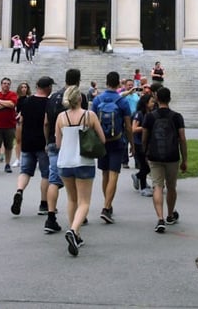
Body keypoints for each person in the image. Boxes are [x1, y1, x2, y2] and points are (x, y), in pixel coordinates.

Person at [56, 84, 106, 256]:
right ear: (79, 98)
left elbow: (58, 143)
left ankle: (75, 234)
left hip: (65, 161)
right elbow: (102, 138)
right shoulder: (89, 115)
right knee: (84, 202)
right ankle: (73, 230)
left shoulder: (61, 117)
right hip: (84, 161)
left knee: (72, 199)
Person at [43, 67, 86, 235]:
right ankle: (79, 213)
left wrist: (48, 141)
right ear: (78, 80)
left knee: (54, 180)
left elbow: (46, 122)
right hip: (74, 144)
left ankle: (51, 216)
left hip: (55, 141)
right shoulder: (78, 97)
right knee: (77, 179)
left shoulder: (53, 97)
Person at [142, 86, 187, 233]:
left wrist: (145, 151)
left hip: (155, 155)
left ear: (156, 98)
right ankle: (170, 215)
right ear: (170, 99)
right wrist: (184, 159)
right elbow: (182, 139)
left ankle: (160, 218)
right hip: (172, 156)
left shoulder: (150, 116)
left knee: (157, 186)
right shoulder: (177, 117)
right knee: (172, 186)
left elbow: (145, 137)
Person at [91, 70, 134, 224]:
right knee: (114, 174)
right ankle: (106, 206)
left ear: (107, 82)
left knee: (104, 174)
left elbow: (92, 122)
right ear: (118, 84)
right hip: (117, 141)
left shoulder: (97, 100)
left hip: (102, 142)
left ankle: (107, 205)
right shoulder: (122, 101)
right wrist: (132, 145)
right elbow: (128, 127)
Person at [11, 76, 54, 217]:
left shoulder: (26, 101)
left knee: (25, 171)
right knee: (46, 174)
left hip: (27, 141)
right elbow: (46, 123)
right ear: (47, 87)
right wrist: (48, 141)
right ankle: (43, 203)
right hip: (42, 143)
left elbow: (20, 121)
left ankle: (19, 190)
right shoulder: (48, 103)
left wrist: (21, 139)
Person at [130, 88, 155, 196]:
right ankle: (142, 183)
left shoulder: (151, 114)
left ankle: (141, 180)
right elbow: (133, 128)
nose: (153, 103)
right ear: (146, 103)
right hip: (139, 143)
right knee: (145, 166)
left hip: (148, 142)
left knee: (147, 165)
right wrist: (145, 127)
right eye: (151, 102)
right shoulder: (139, 114)